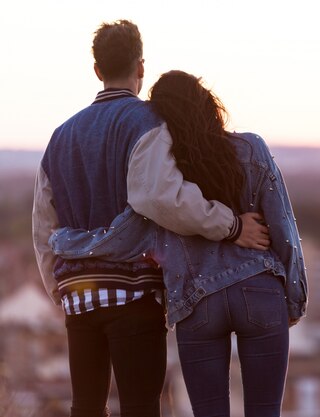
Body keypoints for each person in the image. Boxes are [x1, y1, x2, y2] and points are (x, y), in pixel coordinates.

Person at [32, 21, 269, 417]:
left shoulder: (60, 136)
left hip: (80, 296)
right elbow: (162, 197)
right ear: (141, 67)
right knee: (141, 407)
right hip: (133, 295)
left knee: (85, 407)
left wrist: (60, 291)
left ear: (96, 70)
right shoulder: (145, 122)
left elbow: (44, 228)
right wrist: (231, 226)